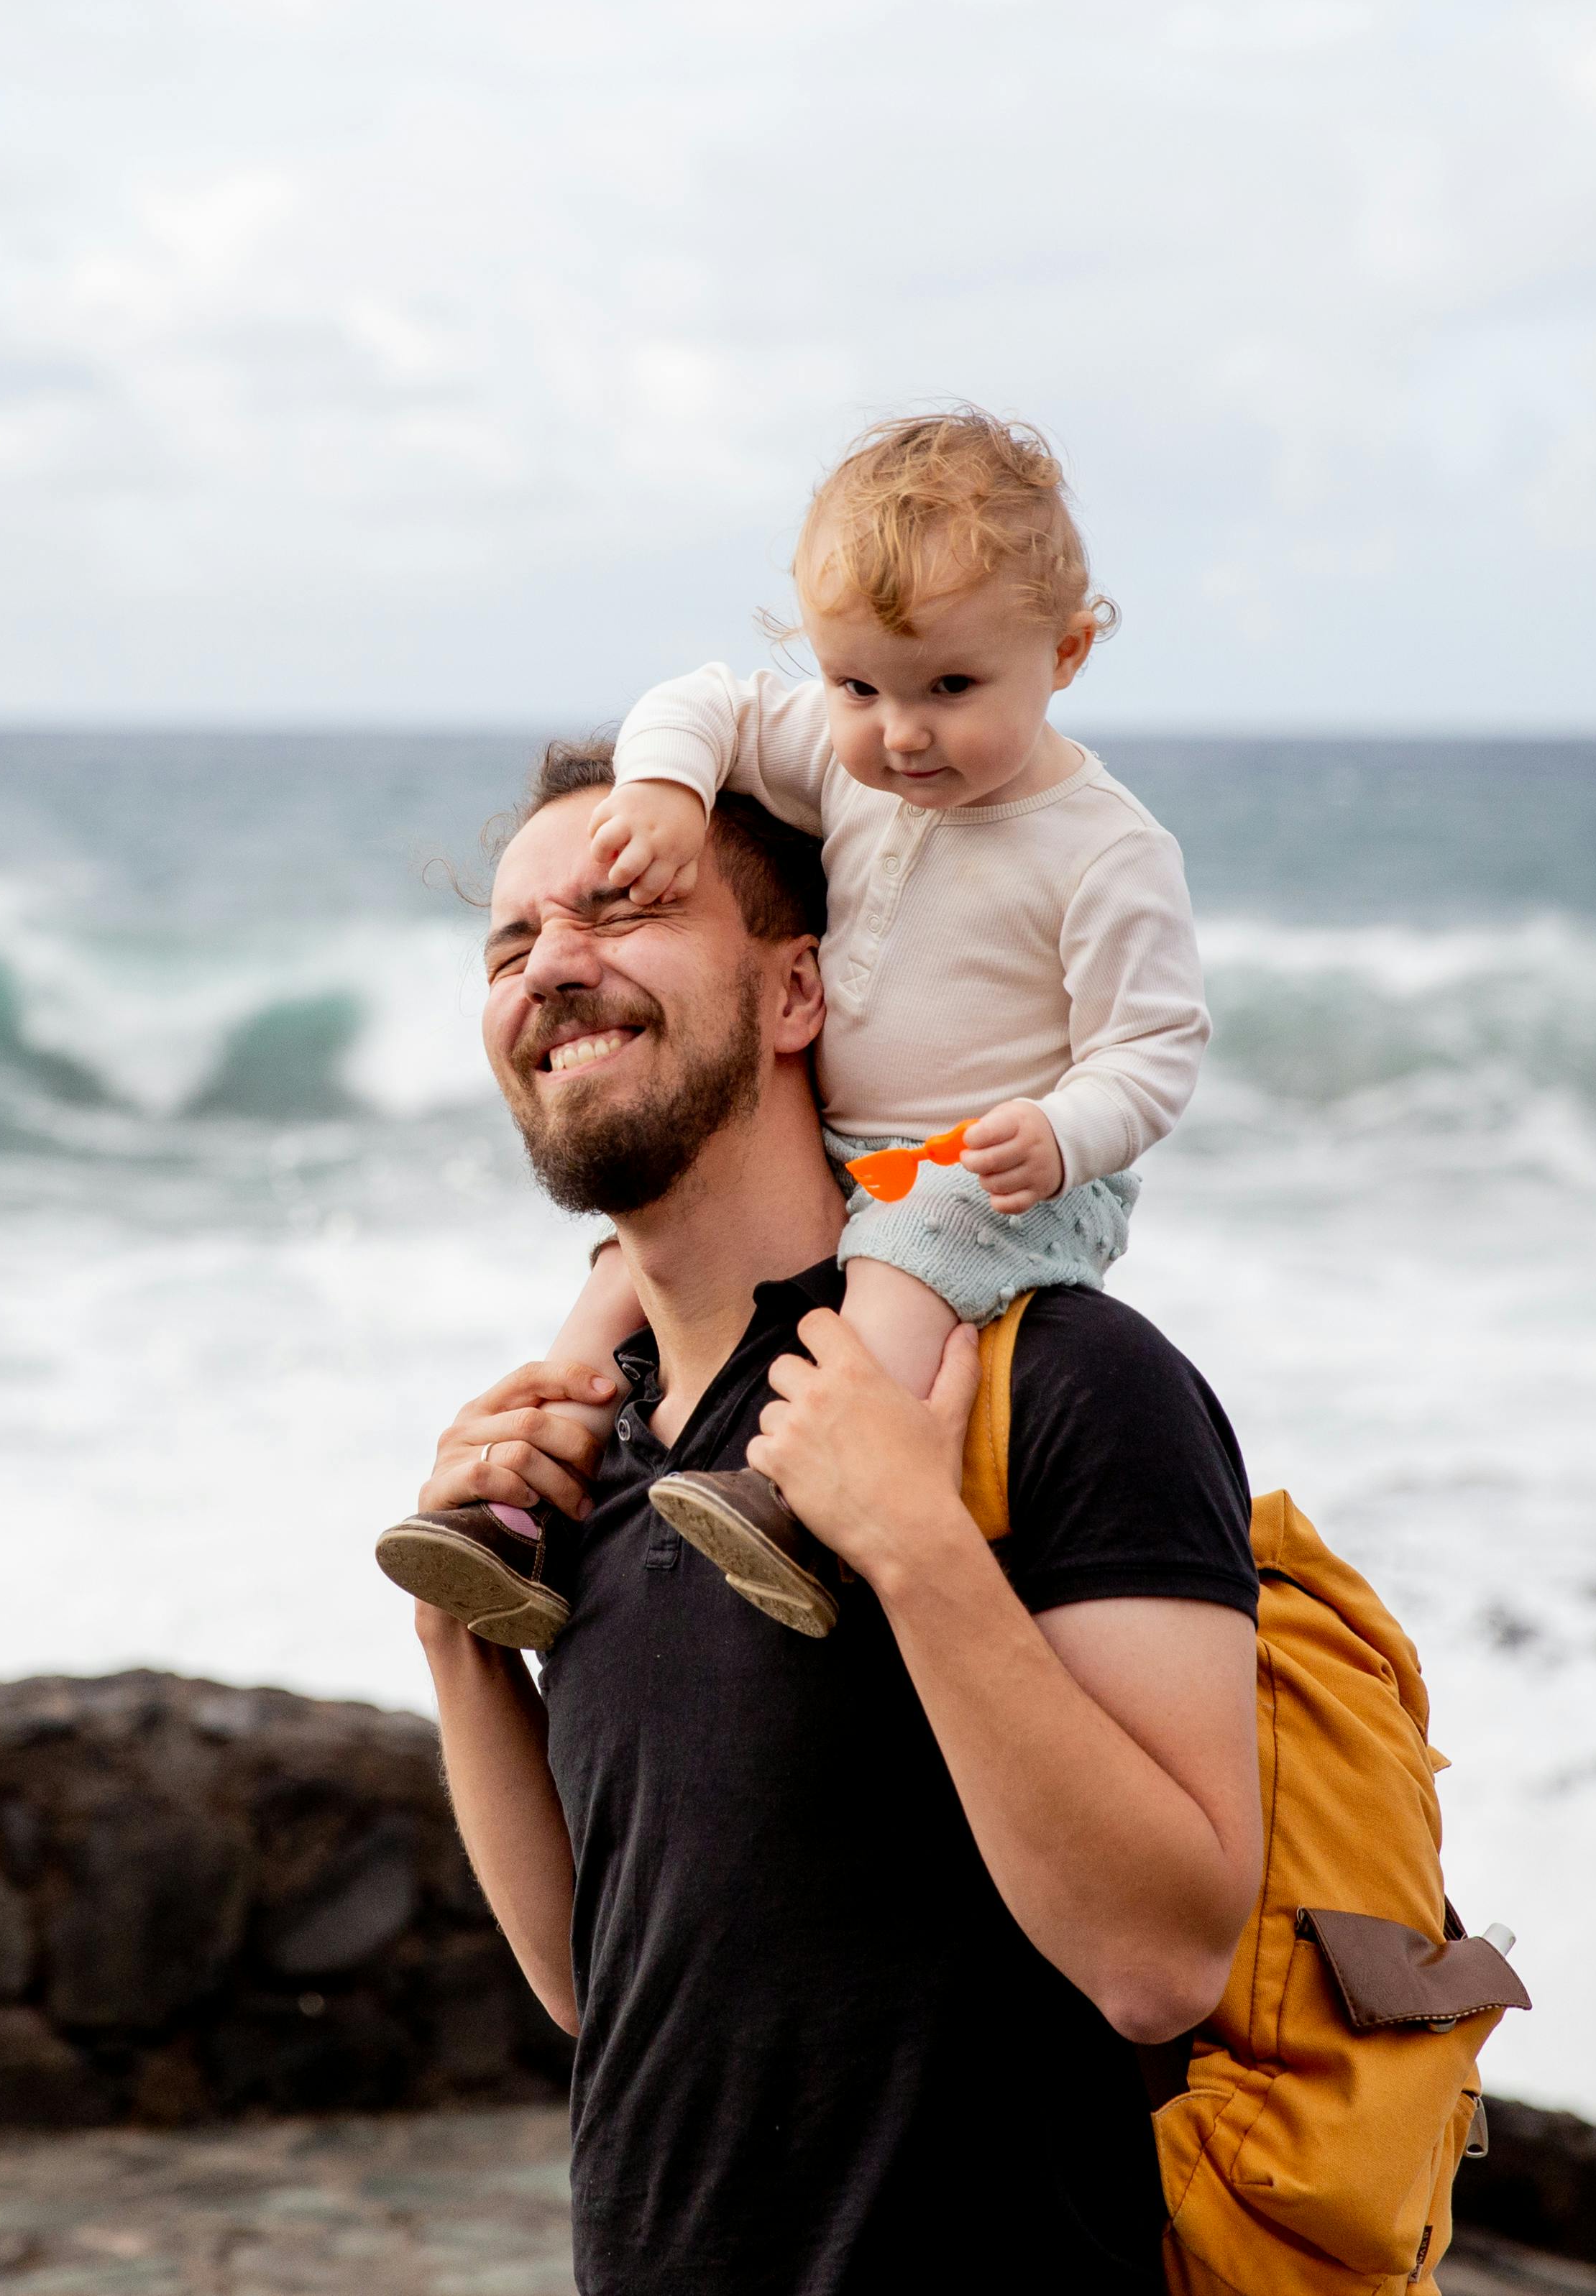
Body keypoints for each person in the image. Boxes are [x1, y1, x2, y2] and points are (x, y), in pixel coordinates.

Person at [403, 740, 1263, 2293]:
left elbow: (1163, 1960)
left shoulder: (1059, 1381)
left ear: (798, 993)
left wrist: (916, 1548)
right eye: (511, 943)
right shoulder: (591, 1442)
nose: (552, 969)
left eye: (618, 907)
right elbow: (602, 1993)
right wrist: (456, 1648)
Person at [377, 409, 1208, 1645]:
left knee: (903, 1249)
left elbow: (1155, 1046)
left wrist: (1062, 1128)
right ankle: (530, 1504)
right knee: (621, 1276)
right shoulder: (850, 763)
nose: (901, 731)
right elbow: (702, 702)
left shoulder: (1106, 850)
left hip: (1004, 1171)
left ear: (1069, 652)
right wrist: (662, 791)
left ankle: (796, 1504)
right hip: (856, 1149)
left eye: (951, 687)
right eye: (857, 684)